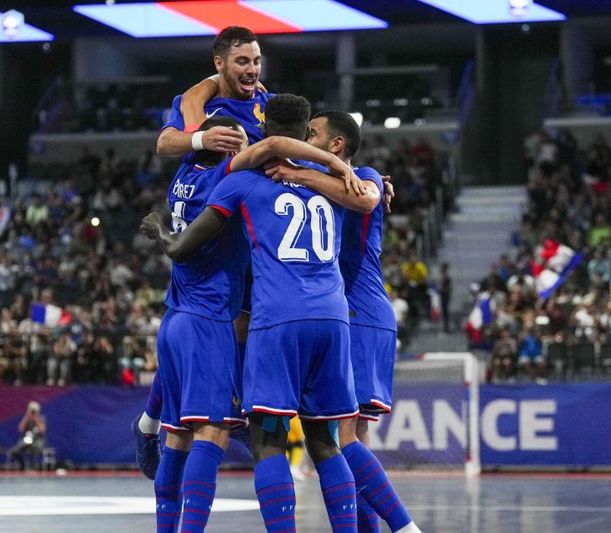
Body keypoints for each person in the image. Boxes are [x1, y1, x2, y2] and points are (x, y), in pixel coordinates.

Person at [142, 94, 372, 533]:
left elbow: (183, 246)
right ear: (307, 135)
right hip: (332, 317)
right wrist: (344, 168)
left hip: (261, 319)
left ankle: (147, 426)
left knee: (254, 439)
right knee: (326, 441)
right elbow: (366, 199)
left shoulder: (233, 181)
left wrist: (161, 229)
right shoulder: (340, 183)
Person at [134, 25, 275, 482]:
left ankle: (163, 420)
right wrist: (201, 139)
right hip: (213, 228)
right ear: (219, 64)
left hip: (249, 235)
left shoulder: (264, 102)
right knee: (211, 325)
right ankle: (156, 423)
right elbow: (165, 143)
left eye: (255, 61)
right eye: (242, 62)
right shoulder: (201, 100)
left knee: (243, 320)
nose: (251, 69)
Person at [272, 110, 420, 532]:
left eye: (313, 133)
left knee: (341, 440)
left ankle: (403, 527)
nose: (304, 137)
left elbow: (368, 195)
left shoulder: (364, 175)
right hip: (351, 315)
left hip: (358, 313)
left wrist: (298, 175)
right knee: (350, 441)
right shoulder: (319, 184)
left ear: (337, 146)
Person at [9, 401, 46, 470]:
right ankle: (22, 465)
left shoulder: (40, 419)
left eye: (34, 411)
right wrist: (27, 417)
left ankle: (34, 468)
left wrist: (36, 418)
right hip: (26, 441)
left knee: (33, 450)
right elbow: (21, 428)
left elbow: (42, 430)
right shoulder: (27, 419)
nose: (33, 413)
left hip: (37, 441)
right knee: (15, 451)